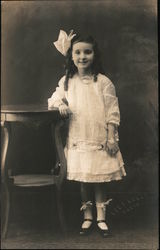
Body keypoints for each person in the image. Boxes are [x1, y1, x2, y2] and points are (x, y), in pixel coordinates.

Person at [48, 30, 126, 237]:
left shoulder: (103, 82)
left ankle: (101, 217)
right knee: (85, 178)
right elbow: (53, 99)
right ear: (71, 56)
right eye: (78, 52)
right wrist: (60, 105)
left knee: (99, 178)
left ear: (94, 55)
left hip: (99, 137)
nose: (82, 57)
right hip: (78, 137)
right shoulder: (67, 81)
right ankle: (87, 216)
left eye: (87, 52)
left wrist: (111, 137)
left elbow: (112, 112)